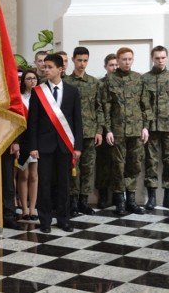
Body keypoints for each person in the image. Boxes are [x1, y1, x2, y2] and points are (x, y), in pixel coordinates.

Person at [27, 54, 83, 233]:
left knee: (64, 183)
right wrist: (33, 146)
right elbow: (33, 121)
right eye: (44, 66)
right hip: (44, 145)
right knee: (44, 183)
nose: (45, 69)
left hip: (65, 145)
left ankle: (63, 218)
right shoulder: (38, 91)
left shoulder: (73, 91)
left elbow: (77, 121)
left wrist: (78, 146)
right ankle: (45, 220)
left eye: (50, 67)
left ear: (60, 69)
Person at [102, 47, 150, 216]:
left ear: (133, 60)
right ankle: (119, 201)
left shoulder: (138, 79)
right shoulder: (110, 80)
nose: (127, 62)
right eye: (123, 59)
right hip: (117, 131)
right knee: (118, 166)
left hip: (136, 130)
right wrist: (107, 130)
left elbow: (145, 105)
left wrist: (145, 127)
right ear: (118, 60)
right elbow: (105, 107)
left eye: (130, 59)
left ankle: (131, 200)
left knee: (134, 165)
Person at [142, 46, 169, 210]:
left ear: (166, 58)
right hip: (151, 128)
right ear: (152, 59)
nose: (160, 60)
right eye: (157, 58)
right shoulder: (145, 79)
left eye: (163, 57)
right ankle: (151, 198)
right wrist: (144, 127)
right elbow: (142, 105)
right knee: (151, 162)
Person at [63, 47, 104, 216]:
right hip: (70, 133)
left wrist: (99, 130)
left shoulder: (95, 83)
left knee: (88, 168)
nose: (82, 63)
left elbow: (99, 107)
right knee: (73, 168)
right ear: (73, 60)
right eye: (79, 60)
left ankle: (83, 201)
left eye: (85, 60)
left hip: (89, 132)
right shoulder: (66, 82)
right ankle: (72, 201)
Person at [16, 69, 39, 222]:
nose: (32, 81)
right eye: (28, 78)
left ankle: (33, 208)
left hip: (36, 141)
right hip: (22, 140)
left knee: (34, 175)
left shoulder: (42, 97)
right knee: (23, 175)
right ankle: (24, 207)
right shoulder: (19, 99)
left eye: (34, 78)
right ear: (23, 81)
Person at [95, 53, 118, 209]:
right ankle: (103, 195)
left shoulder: (124, 82)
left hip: (120, 130)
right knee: (102, 164)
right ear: (105, 67)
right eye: (111, 65)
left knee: (119, 164)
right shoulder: (99, 84)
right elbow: (98, 108)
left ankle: (118, 195)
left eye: (116, 65)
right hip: (103, 130)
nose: (114, 67)